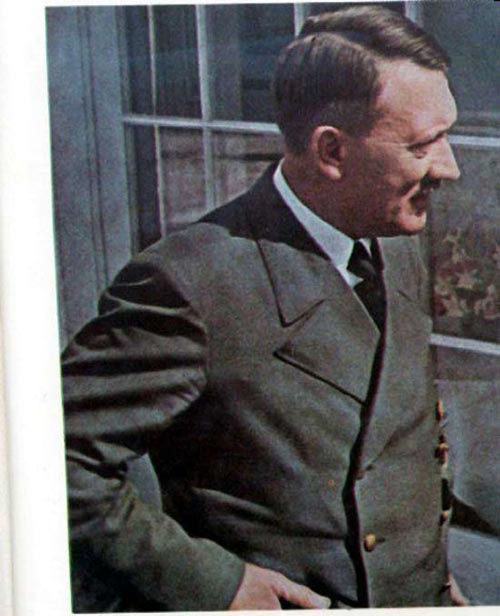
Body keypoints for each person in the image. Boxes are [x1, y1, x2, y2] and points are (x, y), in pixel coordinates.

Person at [63, 6, 464, 611]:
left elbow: (402, 448)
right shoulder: (187, 284)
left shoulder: (393, 233)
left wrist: (433, 576)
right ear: (331, 151)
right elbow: (49, 462)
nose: (450, 167)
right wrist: (213, 584)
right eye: (423, 145)